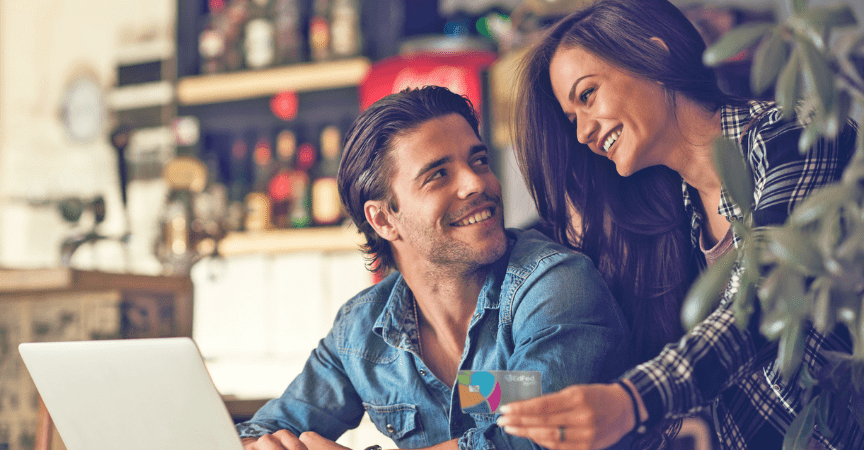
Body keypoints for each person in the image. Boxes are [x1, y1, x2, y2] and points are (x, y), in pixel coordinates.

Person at [496, 0, 862, 449]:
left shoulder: (797, 135)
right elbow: (571, 372)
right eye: (572, 120)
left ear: (655, 55)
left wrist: (633, 402)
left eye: (587, 95)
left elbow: (765, 301)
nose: (582, 133)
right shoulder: (671, 228)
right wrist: (465, 390)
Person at [237, 85, 630, 450]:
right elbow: (262, 429)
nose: (476, 183)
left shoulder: (556, 285)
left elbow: (533, 437)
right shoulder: (360, 332)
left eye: (479, 161)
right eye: (438, 175)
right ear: (383, 220)